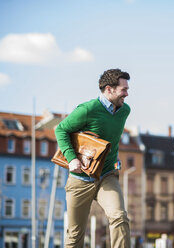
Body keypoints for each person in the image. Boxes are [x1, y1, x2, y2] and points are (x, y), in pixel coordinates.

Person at [55, 69, 131, 247]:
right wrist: (72, 159)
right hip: (81, 178)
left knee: (119, 217)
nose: (127, 94)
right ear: (108, 89)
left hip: (107, 175)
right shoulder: (88, 109)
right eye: (123, 89)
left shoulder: (124, 110)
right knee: (75, 234)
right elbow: (61, 130)